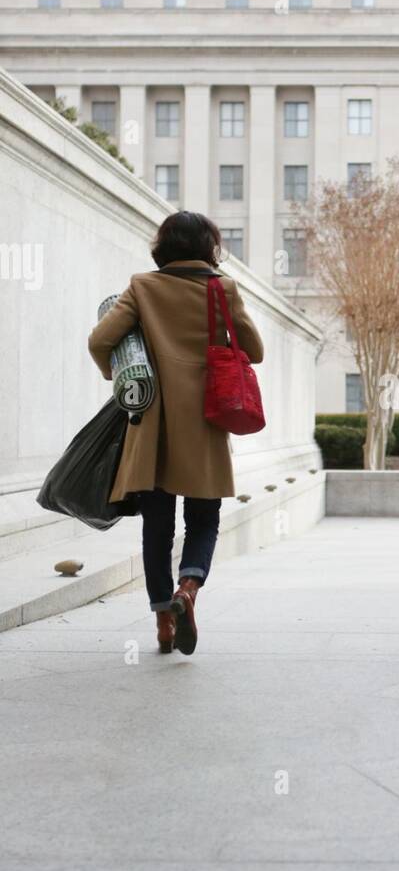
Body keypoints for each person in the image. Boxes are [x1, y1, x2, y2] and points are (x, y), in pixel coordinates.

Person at [88, 211, 264, 656]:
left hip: (152, 428)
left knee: (157, 528)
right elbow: (254, 350)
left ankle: (164, 622)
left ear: (162, 246)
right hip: (205, 421)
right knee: (204, 519)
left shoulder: (143, 287)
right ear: (210, 247)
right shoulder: (220, 289)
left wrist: (125, 376)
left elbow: (100, 341)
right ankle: (189, 588)